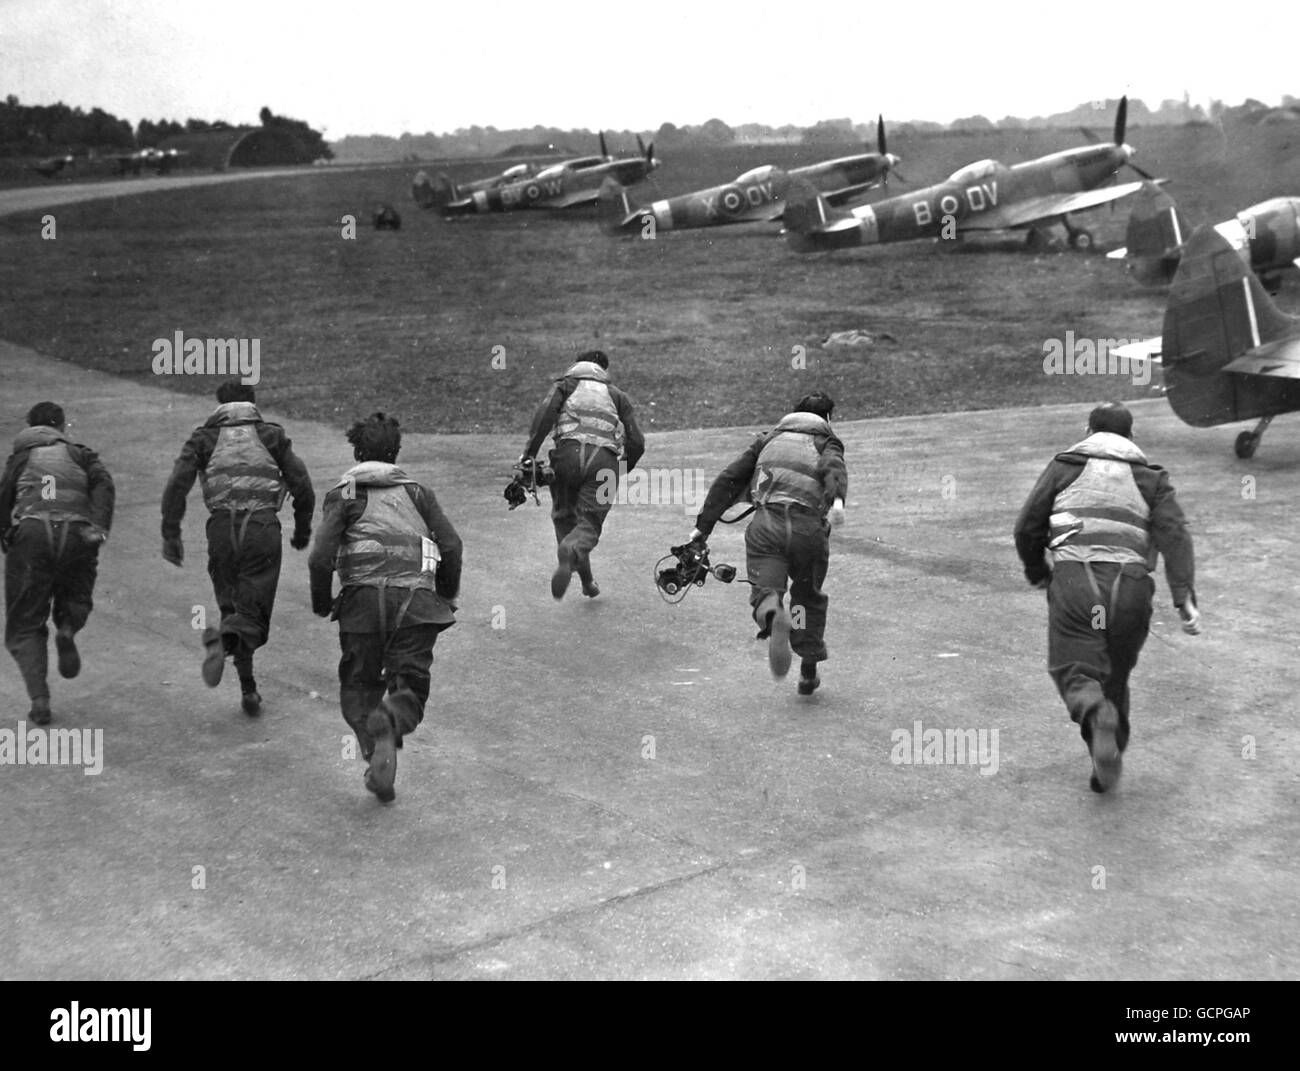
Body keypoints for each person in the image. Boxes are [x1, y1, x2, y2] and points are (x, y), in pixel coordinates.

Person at [1014, 402, 1200, 793]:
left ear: (1087, 431)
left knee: (1080, 672)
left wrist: (1038, 572)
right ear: (1132, 438)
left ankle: (1098, 719)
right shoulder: (1151, 478)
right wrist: (1183, 596)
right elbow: (1174, 533)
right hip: (1128, 591)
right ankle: (1107, 760)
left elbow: (1027, 526)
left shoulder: (1066, 466)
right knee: (1113, 680)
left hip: (1079, 587)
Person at [308, 413, 462, 804]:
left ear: (357, 451)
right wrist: (444, 594)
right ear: (396, 452)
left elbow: (320, 558)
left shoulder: (343, 494)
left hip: (362, 606)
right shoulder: (418, 493)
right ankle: (391, 719)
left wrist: (322, 601)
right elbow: (452, 545)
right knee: (410, 685)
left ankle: (374, 748)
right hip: (416, 606)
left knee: (359, 687)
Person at [161, 381, 315, 715]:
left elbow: (177, 484)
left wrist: (170, 533)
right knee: (253, 616)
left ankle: (249, 689)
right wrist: (302, 529)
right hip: (261, 528)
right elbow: (302, 484)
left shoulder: (203, 437)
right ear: (252, 403)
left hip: (221, 529)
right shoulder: (271, 435)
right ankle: (228, 646)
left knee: (232, 608)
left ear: (219, 405)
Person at [686, 391, 847, 694]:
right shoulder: (827, 440)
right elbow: (833, 467)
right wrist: (837, 500)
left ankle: (773, 615)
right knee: (807, 597)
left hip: (766, 528)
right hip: (806, 530)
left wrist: (702, 528)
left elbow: (729, 479)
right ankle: (808, 671)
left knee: (766, 591)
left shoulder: (767, 439)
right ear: (827, 418)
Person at [0, 402, 115, 725]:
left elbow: (4, 494)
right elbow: (104, 483)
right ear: (62, 427)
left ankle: (40, 700)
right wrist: (99, 526)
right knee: (76, 595)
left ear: (29, 427)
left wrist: (6, 532)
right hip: (78, 534)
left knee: (25, 620)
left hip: (32, 535)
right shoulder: (81, 454)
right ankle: (66, 628)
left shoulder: (21, 457)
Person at [519, 350, 644, 599]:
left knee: (566, 520)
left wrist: (529, 454)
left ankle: (586, 581)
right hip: (604, 462)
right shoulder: (617, 395)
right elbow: (637, 443)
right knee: (588, 525)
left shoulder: (566, 385)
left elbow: (545, 416)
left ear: (576, 365)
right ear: (604, 371)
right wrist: (619, 470)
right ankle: (583, 574)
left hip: (566, 456)